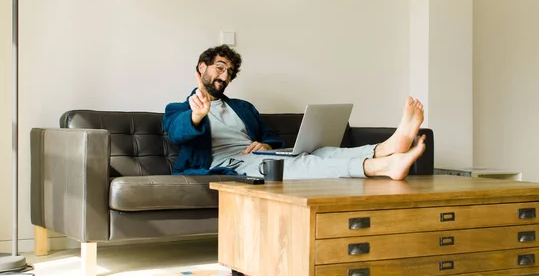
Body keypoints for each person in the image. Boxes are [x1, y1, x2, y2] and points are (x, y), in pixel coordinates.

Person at [163, 45, 426, 180]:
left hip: (254, 156)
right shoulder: (181, 108)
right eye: (220, 68)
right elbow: (177, 132)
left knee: (319, 152)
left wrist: (265, 145)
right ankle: (380, 166)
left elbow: (269, 136)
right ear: (202, 67)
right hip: (228, 165)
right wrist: (197, 114)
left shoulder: (243, 107)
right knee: (298, 163)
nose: (224, 76)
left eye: (229, 73)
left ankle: (387, 146)